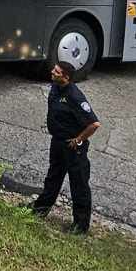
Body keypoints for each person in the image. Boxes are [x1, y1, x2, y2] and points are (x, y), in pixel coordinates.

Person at [31, 59, 99, 234]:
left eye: (57, 72)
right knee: (53, 177)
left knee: (79, 185)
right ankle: (40, 209)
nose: (52, 72)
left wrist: (78, 140)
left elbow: (94, 124)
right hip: (58, 142)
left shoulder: (75, 97)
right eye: (54, 69)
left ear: (66, 77)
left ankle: (80, 225)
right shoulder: (55, 87)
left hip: (73, 147)